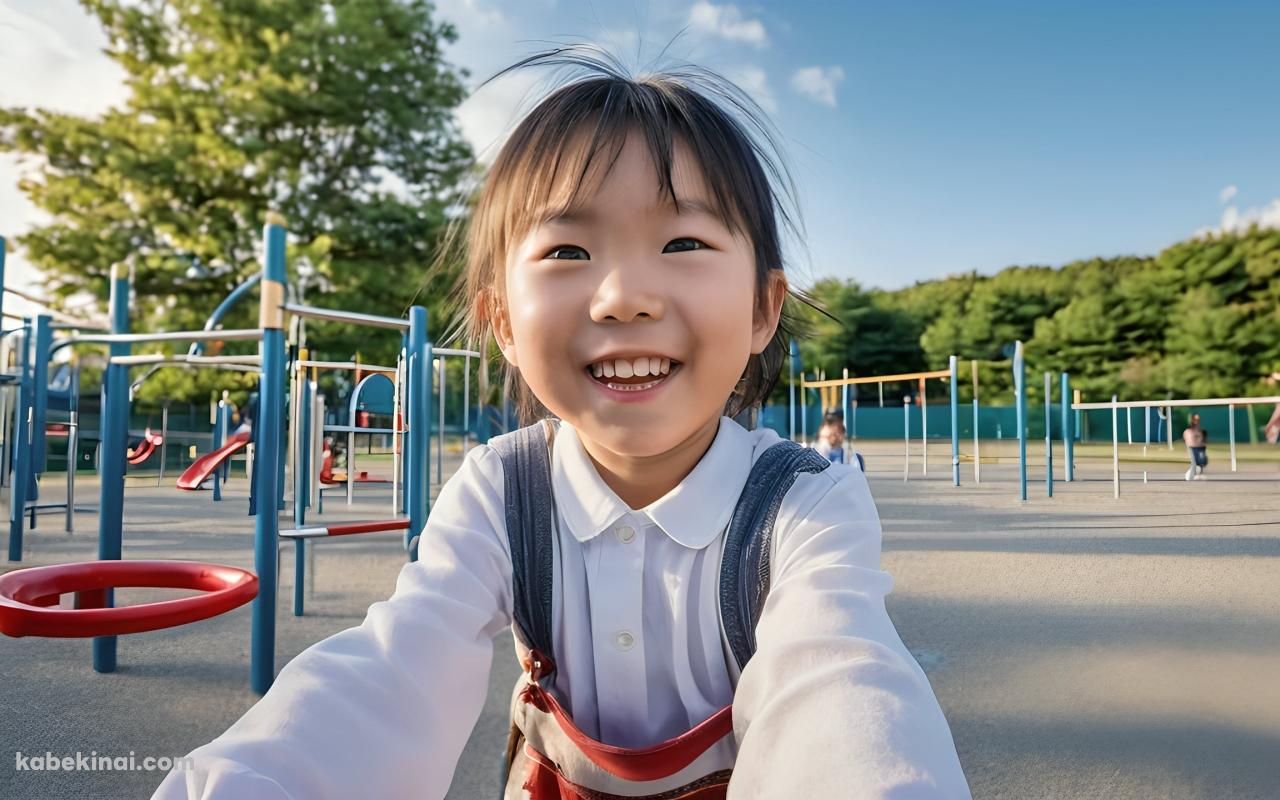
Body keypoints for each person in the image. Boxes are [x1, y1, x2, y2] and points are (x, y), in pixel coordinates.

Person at [155, 49, 969, 799]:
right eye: (568, 252)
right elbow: (390, 673)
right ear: (503, 321)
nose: (623, 296)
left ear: (764, 307)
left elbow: (841, 695)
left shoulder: (805, 503)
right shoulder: (500, 491)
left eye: (683, 240)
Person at [1183, 412, 1208, 480]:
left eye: (1198, 419)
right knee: (1195, 461)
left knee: (1202, 461)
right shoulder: (1188, 430)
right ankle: (1192, 475)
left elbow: (1204, 439)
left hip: (1201, 446)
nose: (1197, 421)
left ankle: (1200, 474)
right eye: (1195, 419)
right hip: (1193, 447)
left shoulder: (1200, 430)